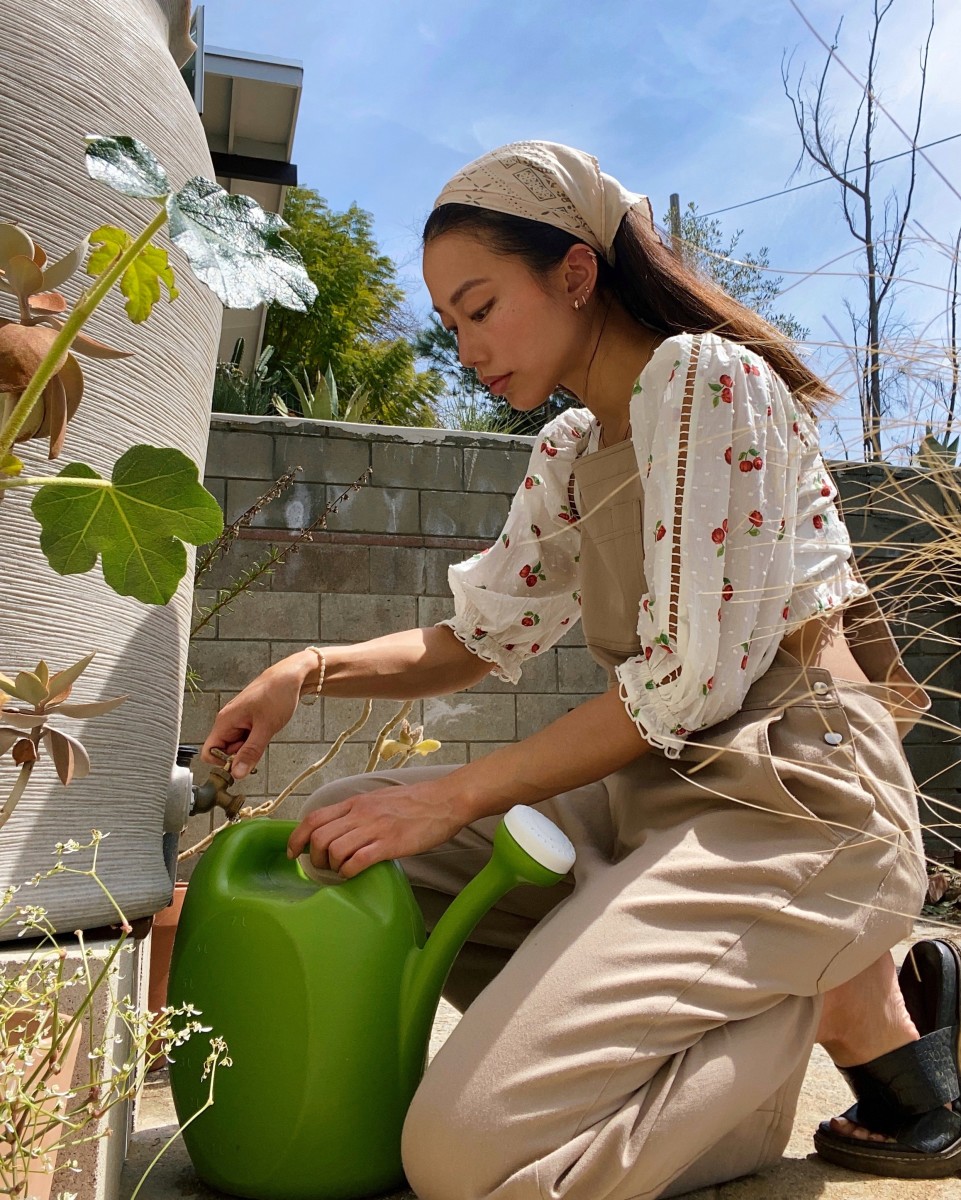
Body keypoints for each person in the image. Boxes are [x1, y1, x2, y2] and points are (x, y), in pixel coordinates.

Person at [201, 142, 961, 1198]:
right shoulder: (568, 447)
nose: (466, 347)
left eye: (481, 306)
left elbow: (692, 684)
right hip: (656, 806)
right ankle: (760, 1020)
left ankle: (811, 982)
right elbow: (476, 641)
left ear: (572, 273)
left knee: (463, 1161)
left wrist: (456, 792)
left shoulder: (706, 379)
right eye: (451, 323)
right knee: (353, 823)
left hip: (793, 805)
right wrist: (306, 666)